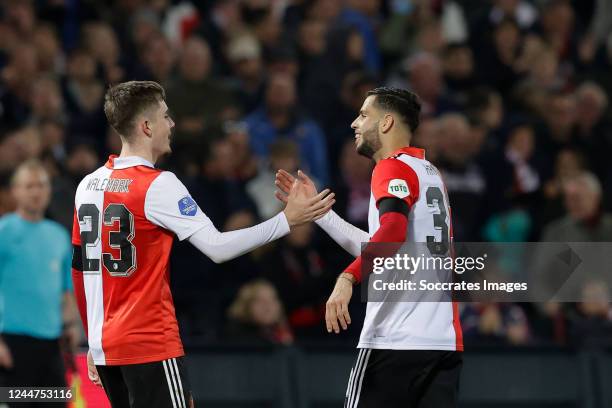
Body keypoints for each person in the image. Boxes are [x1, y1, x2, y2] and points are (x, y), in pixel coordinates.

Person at [71, 80, 334, 408]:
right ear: (146, 126)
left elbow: (83, 269)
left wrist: (93, 343)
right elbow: (217, 247)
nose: (172, 124)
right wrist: (286, 221)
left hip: (107, 347)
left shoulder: (87, 185)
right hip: (149, 341)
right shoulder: (158, 184)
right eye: (166, 117)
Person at [276, 87, 463, 408]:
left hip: (394, 339)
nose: (354, 123)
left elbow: (390, 233)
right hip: (442, 342)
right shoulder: (429, 173)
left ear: (387, 122)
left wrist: (347, 278)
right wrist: (320, 214)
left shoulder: (390, 167)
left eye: (364, 115)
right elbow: (389, 249)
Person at [0, 160, 80, 407]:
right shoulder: (4, 232)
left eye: (42, 185)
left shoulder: (58, 235)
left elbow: (67, 289)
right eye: (29, 186)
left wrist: (72, 325)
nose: (36, 192)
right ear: (15, 191)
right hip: (12, 345)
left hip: (51, 345)